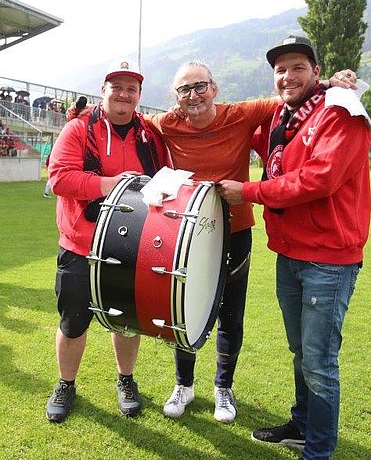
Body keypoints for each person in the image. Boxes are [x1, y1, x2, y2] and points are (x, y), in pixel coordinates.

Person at [68, 61, 354, 424]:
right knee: (179, 307)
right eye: (185, 90)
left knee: (230, 314)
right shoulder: (166, 123)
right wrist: (81, 116)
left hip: (235, 230)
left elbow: (290, 95)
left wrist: (331, 81)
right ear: (175, 98)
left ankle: (223, 387)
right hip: (181, 233)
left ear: (214, 88)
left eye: (200, 86)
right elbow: (129, 119)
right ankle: (183, 384)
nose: (193, 95)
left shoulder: (242, 113)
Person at [217, 36, 371, 457]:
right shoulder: (283, 121)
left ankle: (317, 450)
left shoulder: (341, 110)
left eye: (298, 66)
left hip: (329, 259)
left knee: (319, 363)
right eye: (281, 69)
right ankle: (303, 426)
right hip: (291, 254)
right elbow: (239, 134)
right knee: (301, 352)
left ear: (316, 72)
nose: (288, 76)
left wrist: (248, 190)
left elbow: (318, 179)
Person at [46, 59, 171, 423]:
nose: (124, 94)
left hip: (131, 245)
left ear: (139, 96)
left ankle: (126, 380)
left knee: (128, 320)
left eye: (131, 89)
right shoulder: (77, 128)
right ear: (104, 91)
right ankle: (66, 384)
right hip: (80, 246)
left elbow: (163, 178)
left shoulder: (149, 133)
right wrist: (111, 182)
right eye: (117, 86)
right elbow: (59, 179)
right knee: (73, 323)